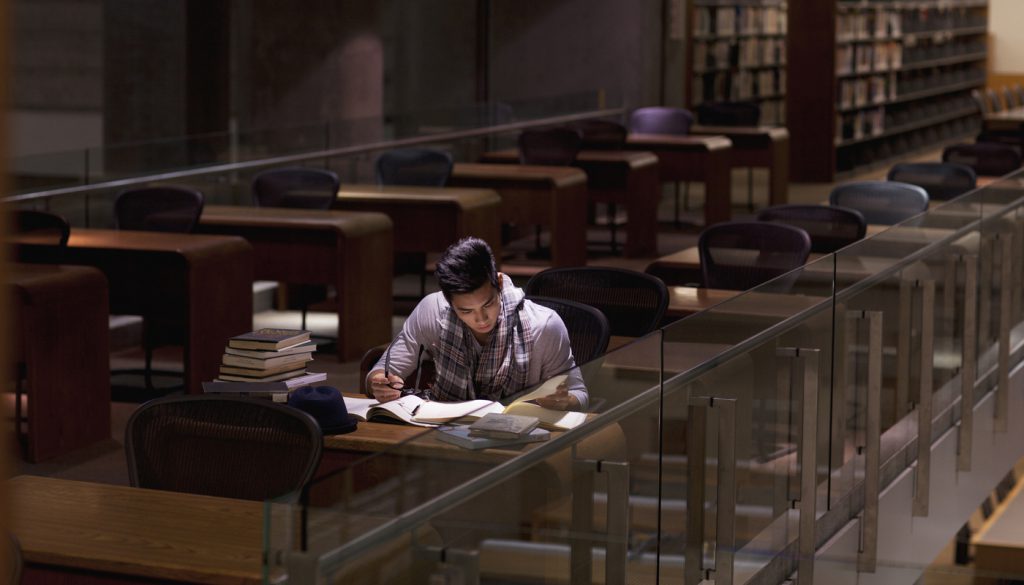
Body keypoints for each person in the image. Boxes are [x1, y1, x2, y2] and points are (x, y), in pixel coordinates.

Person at [367, 237, 587, 410]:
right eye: (466, 311)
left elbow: (580, 393)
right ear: (447, 299)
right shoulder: (432, 310)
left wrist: (565, 401)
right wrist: (379, 383)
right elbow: (382, 371)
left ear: (499, 282)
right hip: (444, 432)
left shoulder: (544, 325)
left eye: (488, 304)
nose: (481, 319)